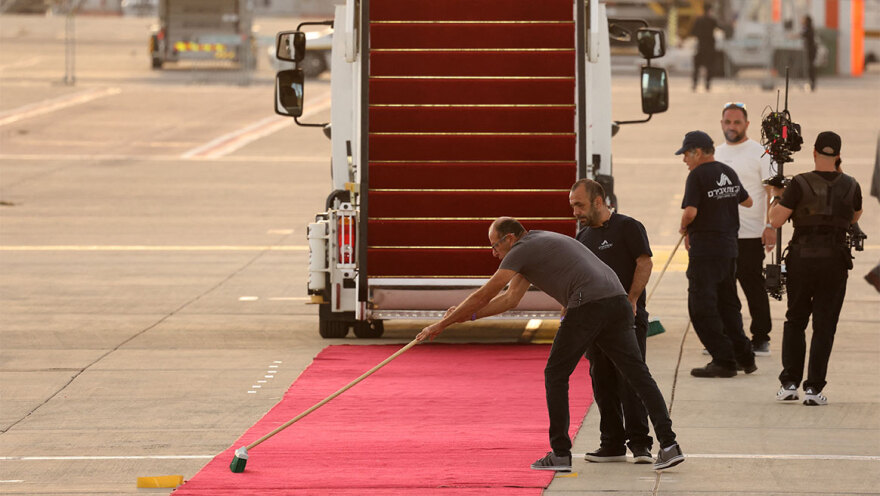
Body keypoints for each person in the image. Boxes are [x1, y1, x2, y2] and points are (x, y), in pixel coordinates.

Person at [416, 217, 685, 472]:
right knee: (638, 375)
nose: (494, 254)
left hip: (588, 304)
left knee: (555, 374)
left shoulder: (522, 249)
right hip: (616, 301)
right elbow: (510, 299)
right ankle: (669, 444)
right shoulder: (538, 243)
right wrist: (467, 316)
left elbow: (487, 291)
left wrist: (443, 324)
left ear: (510, 238)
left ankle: (560, 453)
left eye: (495, 246)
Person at [769, 131, 863, 405]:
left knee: (796, 319)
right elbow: (854, 215)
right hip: (835, 261)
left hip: (802, 259)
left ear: (813, 153)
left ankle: (789, 383)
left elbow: (775, 221)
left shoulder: (799, 183)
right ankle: (814, 389)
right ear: (838, 155)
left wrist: (777, 195)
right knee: (825, 326)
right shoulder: (851, 185)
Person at [569, 179, 654, 464]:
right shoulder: (582, 238)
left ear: (598, 201)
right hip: (594, 324)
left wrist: (632, 299)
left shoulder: (628, 227)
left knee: (630, 380)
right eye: (572, 206)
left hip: (626, 320)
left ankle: (640, 444)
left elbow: (644, 263)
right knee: (601, 381)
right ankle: (612, 443)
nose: (575, 212)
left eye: (579, 205)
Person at [676, 130, 757, 377]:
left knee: (701, 308)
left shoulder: (697, 175)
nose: (684, 161)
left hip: (706, 251)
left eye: (686, 155)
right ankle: (745, 357)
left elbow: (690, 212)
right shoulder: (727, 172)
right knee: (728, 305)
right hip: (729, 249)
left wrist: (683, 228)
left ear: (697, 152)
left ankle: (723, 359)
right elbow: (748, 201)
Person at [714, 102, 775, 356]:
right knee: (722, 289)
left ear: (747, 125)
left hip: (750, 235)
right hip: (721, 235)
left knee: (753, 287)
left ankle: (761, 337)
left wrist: (770, 225)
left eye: (737, 122)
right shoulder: (715, 153)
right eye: (728, 122)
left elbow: (775, 191)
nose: (732, 127)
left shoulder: (760, 153)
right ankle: (727, 336)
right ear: (721, 124)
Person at [689, 4, 719, 91]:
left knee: (697, 66)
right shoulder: (712, 20)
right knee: (709, 67)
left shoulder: (698, 20)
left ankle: (695, 84)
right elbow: (721, 28)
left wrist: (700, 35)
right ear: (710, 10)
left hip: (700, 46)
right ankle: (708, 85)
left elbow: (693, 32)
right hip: (710, 47)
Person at [802, 15, 817, 91]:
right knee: (810, 67)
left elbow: (803, 35)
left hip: (811, 50)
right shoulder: (808, 28)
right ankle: (811, 83)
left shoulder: (809, 29)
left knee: (810, 67)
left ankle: (812, 83)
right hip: (810, 50)